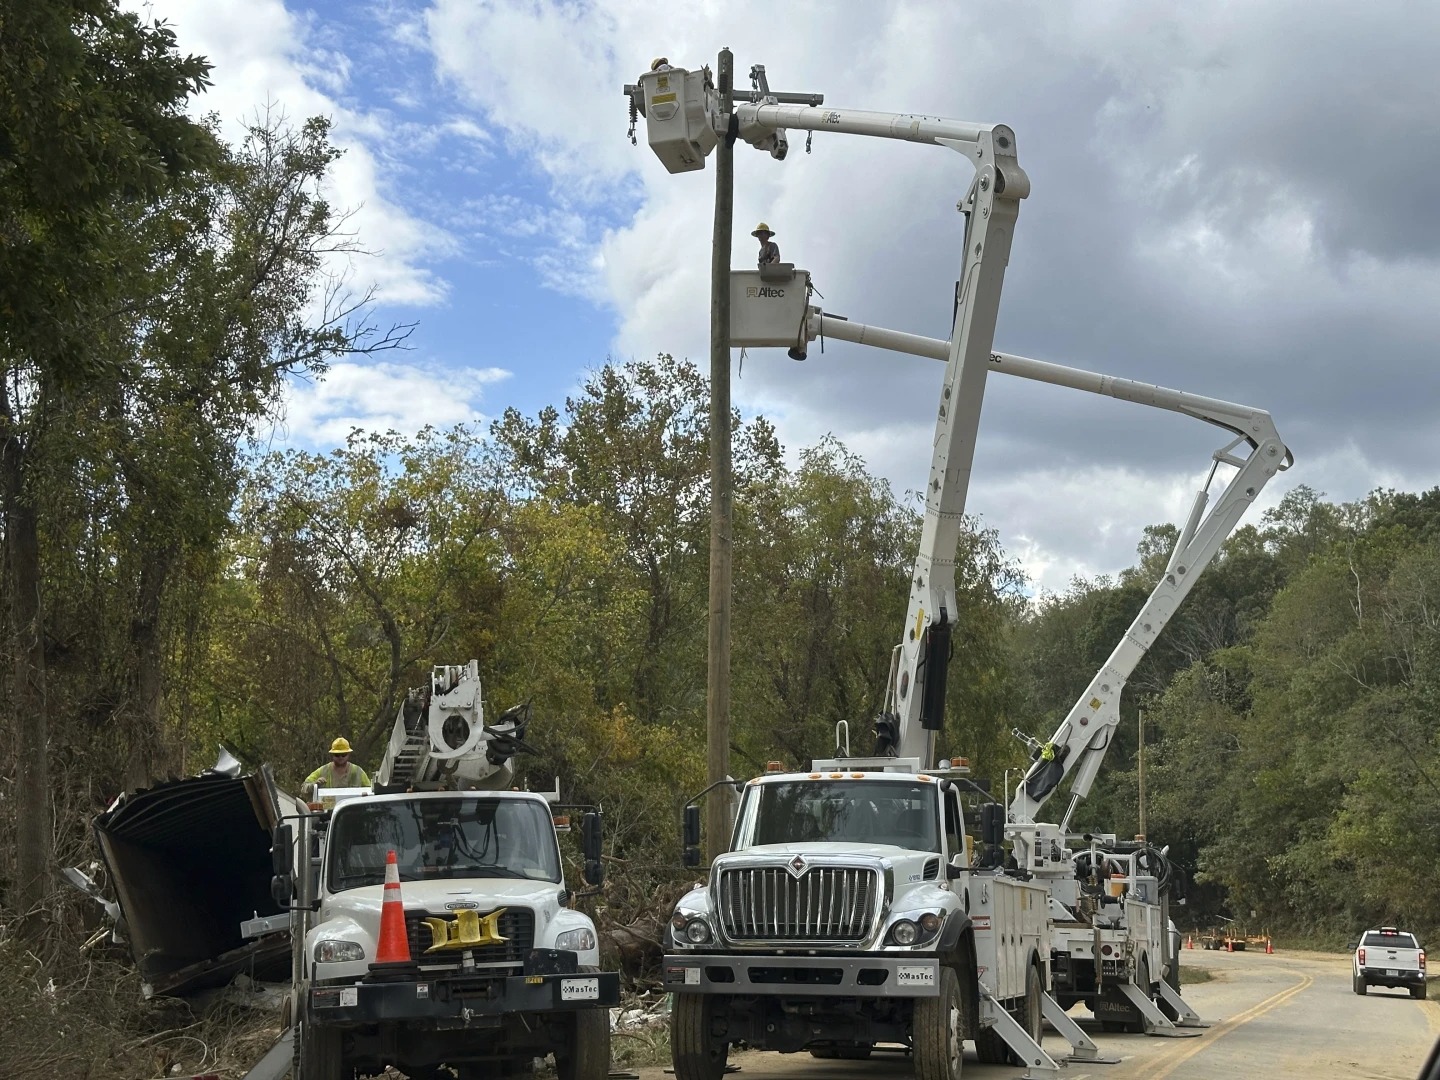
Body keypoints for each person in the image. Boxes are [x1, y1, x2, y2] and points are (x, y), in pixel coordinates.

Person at [306, 737, 372, 789]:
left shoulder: (358, 772)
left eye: (343, 754)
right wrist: (315, 784)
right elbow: (304, 787)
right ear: (332, 755)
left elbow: (370, 790)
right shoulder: (323, 771)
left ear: (348, 754)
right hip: (330, 806)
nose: (340, 757)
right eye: (337, 755)